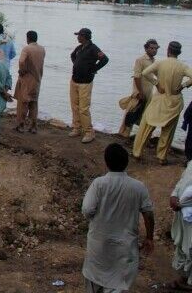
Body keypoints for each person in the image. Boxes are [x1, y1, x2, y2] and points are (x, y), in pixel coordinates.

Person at [82, 143, 154, 292]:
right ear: (126, 162)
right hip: (125, 247)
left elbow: (87, 210)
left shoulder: (99, 184)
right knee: (117, 284)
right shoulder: (138, 187)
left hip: (99, 244)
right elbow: (148, 214)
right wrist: (149, 238)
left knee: (94, 281)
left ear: (106, 162)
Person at [132, 41, 192, 164]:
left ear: (168, 50)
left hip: (160, 98)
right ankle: (161, 157)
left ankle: (137, 152)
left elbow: (145, 73)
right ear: (179, 53)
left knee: (146, 126)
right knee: (168, 130)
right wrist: (183, 85)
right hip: (174, 100)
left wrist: (157, 84)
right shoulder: (182, 66)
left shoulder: (160, 62)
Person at [69, 27, 109, 144]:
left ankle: (89, 132)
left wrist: (93, 69)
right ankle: (77, 128)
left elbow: (105, 59)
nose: (77, 37)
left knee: (83, 109)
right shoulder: (79, 48)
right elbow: (72, 56)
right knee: (74, 106)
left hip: (85, 82)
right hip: (74, 80)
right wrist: (77, 64)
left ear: (84, 36)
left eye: (79, 35)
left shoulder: (93, 48)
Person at [118, 39, 159, 138]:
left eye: (156, 48)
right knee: (131, 112)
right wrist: (139, 92)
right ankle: (123, 134)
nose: (154, 50)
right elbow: (137, 77)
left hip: (149, 92)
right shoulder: (140, 60)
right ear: (146, 48)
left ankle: (142, 136)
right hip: (139, 91)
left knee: (143, 114)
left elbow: (156, 76)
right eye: (151, 48)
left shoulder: (154, 61)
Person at [14, 30, 46, 134]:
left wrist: (22, 70)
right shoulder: (42, 49)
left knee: (23, 102)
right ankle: (33, 126)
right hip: (37, 79)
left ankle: (21, 125)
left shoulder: (27, 48)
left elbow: (21, 61)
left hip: (27, 79)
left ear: (28, 38)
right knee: (34, 102)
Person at [169, 162, 192, 289]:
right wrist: (174, 195)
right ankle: (184, 277)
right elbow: (182, 181)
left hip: (186, 210)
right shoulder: (191, 163)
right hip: (184, 214)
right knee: (184, 246)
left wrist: (180, 204)